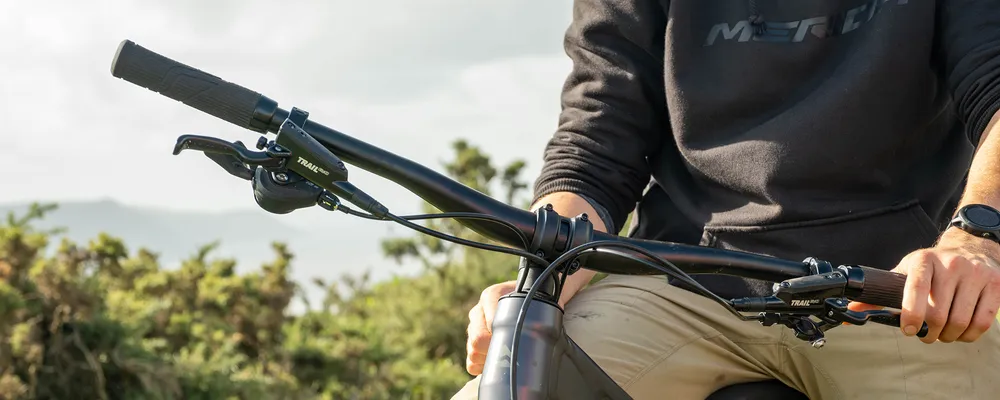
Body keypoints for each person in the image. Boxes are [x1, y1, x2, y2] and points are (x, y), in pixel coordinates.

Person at [452, 0, 1000, 399]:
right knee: (512, 385)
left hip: (893, 293)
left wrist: (977, 236)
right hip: (681, 287)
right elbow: (597, 148)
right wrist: (539, 285)